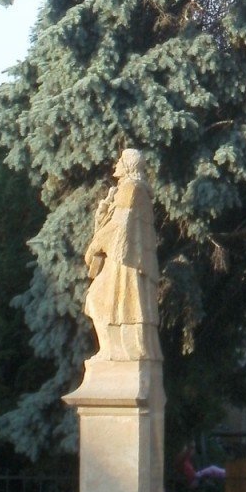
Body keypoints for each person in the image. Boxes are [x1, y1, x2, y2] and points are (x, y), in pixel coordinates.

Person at [84, 148, 162, 363]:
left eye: (120, 160)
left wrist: (95, 246)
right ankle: (111, 351)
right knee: (100, 302)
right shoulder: (132, 190)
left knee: (97, 300)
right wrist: (102, 211)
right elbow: (113, 222)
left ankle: (114, 352)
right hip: (123, 258)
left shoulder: (131, 189)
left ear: (128, 165)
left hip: (123, 261)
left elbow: (120, 226)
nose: (116, 164)